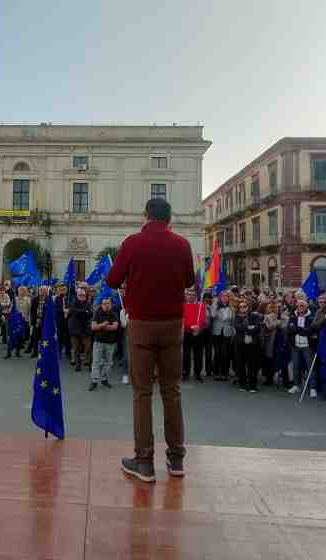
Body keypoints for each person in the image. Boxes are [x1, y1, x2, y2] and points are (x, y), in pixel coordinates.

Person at [107, 198, 195, 482]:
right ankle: (176, 459)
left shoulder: (133, 243)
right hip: (172, 325)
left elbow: (112, 280)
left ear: (145, 216)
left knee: (142, 393)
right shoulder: (182, 244)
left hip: (142, 324)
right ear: (170, 219)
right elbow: (188, 281)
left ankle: (144, 461)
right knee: (172, 391)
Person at [287, 298, 317, 396]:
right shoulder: (292, 317)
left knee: (310, 367)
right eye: (298, 306)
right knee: (295, 366)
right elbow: (289, 330)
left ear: (306, 307)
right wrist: (300, 330)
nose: (299, 308)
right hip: (295, 346)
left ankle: (313, 387)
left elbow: (309, 331)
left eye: (302, 306)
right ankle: (296, 385)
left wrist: (297, 329)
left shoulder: (311, 318)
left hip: (307, 346)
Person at [89, 297, 120, 390]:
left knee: (109, 363)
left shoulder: (114, 313)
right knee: (96, 362)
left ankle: (104, 378)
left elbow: (115, 327)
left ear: (111, 304)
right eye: (104, 304)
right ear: (101, 304)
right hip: (98, 341)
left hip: (110, 343)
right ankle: (94, 381)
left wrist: (101, 326)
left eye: (108, 303)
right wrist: (104, 324)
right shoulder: (97, 313)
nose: (106, 305)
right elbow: (93, 327)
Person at [233, 300, 262, 392]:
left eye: (244, 306)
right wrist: (249, 328)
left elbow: (257, 328)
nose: (243, 308)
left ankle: (253, 385)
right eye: (240, 307)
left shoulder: (254, 316)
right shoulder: (237, 317)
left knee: (252, 365)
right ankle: (243, 384)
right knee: (241, 364)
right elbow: (238, 328)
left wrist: (247, 328)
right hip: (241, 344)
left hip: (252, 344)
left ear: (248, 307)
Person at [181, 290, 208, 382]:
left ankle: (197, 373)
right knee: (186, 354)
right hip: (187, 332)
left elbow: (204, 320)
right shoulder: (182, 306)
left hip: (198, 333)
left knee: (198, 354)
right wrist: (190, 327)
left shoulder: (201, 306)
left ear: (196, 296)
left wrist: (199, 328)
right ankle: (185, 372)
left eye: (193, 295)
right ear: (186, 296)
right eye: (189, 295)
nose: (191, 296)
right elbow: (182, 320)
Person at [210, 291, 234, 381]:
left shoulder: (231, 307)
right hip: (217, 332)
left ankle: (224, 372)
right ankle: (216, 372)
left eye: (226, 296)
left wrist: (233, 333)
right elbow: (213, 315)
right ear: (220, 297)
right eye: (222, 296)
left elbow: (232, 321)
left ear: (228, 298)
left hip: (227, 333)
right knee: (217, 353)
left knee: (225, 353)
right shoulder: (216, 306)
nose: (224, 298)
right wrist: (215, 304)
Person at [67, 287, 93, 371]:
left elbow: (90, 313)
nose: (82, 296)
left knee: (88, 348)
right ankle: (78, 365)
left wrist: (81, 312)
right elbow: (72, 311)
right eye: (80, 295)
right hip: (74, 329)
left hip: (85, 329)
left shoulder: (88, 303)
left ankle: (90, 364)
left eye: (83, 295)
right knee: (76, 348)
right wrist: (84, 311)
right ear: (77, 295)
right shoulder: (73, 302)